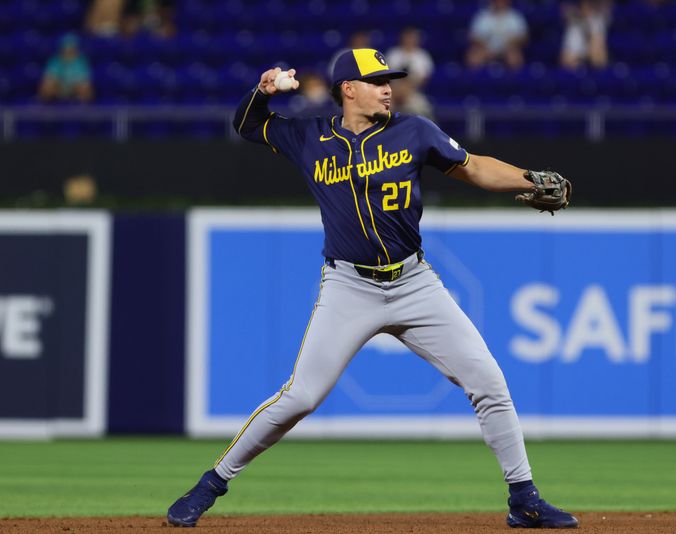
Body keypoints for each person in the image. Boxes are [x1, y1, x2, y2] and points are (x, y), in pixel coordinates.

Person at [166, 48, 578, 530]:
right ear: (349, 89)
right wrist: (263, 89)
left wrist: (526, 179)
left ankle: (524, 499)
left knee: (489, 384)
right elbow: (246, 124)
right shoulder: (309, 136)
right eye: (377, 79)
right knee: (299, 397)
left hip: (414, 283)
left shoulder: (414, 131)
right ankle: (210, 484)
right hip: (348, 286)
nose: (388, 87)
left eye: (390, 79)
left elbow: (473, 166)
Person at [466, 0, 529, 70]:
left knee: (514, 58)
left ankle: (514, 80)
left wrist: (511, 44)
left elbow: (523, 37)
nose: (499, 2)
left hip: (508, 48)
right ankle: (476, 79)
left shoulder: (515, 16)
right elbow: (474, 37)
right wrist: (485, 46)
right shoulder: (482, 16)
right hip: (486, 48)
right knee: (474, 58)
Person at [37, 33, 94, 103]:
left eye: (71, 48)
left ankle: (82, 109)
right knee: (46, 88)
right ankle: (46, 108)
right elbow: (49, 79)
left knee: (86, 90)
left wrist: (75, 88)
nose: (68, 50)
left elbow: (84, 82)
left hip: (75, 89)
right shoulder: (54, 60)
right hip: (57, 89)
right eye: (66, 48)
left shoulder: (81, 61)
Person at [560, 0, 612, 70]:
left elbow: (599, 60)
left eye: (589, 7)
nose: (586, 10)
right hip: (577, 69)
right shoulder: (573, 27)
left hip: (594, 69)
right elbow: (566, 59)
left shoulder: (598, 23)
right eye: (584, 7)